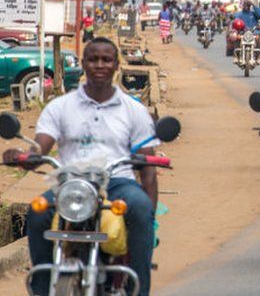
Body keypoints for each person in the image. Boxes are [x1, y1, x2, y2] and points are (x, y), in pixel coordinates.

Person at [5, 38, 160, 296]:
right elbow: (40, 147)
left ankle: (139, 289)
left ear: (116, 65)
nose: (100, 65)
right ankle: (43, 288)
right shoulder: (60, 106)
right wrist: (24, 156)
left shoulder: (134, 110)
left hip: (118, 182)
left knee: (141, 209)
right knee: (37, 213)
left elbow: (148, 170)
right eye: (93, 59)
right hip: (71, 183)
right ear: (83, 64)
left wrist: (151, 219)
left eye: (106, 59)